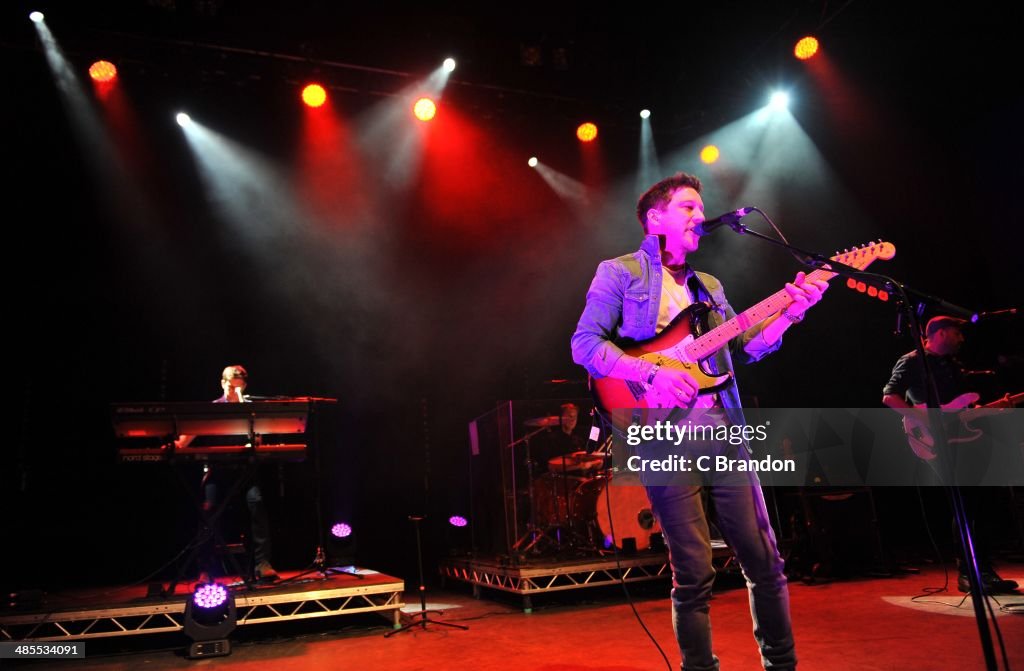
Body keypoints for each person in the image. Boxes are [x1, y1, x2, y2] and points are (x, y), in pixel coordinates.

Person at [571, 172, 827, 671]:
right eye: (688, 207)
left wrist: (789, 313)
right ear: (655, 218)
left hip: (725, 431)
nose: (698, 217)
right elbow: (585, 345)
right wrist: (649, 374)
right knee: (693, 571)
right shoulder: (619, 272)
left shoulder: (708, 287)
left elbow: (743, 349)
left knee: (766, 563)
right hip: (661, 435)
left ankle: (782, 664)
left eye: (699, 208)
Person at [882, 316, 1018, 593]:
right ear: (940, 334)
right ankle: (970, 573)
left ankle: (981, 570)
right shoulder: (912, 360)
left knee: (978, 504)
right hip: (936, 441)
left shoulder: (953, 365)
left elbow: (959, 410)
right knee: (965, 504)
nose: (962, 338)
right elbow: (889, 396)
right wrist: (926, 420)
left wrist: (993, 408)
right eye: (957, 333)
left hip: (962, 439)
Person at [185, 365, 279, 583]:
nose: (233, 391)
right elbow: (185, 438)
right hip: (218, 471)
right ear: (222, 383)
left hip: (244, 472)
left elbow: (258, 441)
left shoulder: (251, 409)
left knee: (256, 503)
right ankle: (206, 570)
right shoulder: (213, 408)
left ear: (244, 386)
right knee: (208, 511)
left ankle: (263, 564)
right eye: (230, 386)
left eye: (238, 387)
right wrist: (173, 443)